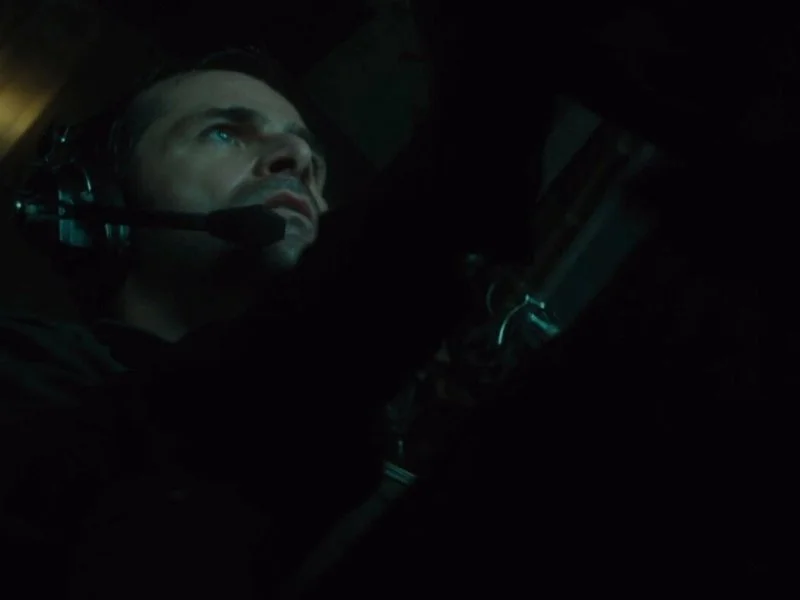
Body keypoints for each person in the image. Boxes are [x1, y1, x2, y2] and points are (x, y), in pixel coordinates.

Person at [0, 50, 467, 597]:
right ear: (97, 200)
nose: (298, 157)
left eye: (315, 165)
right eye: (223, 133)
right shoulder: (24, 374)